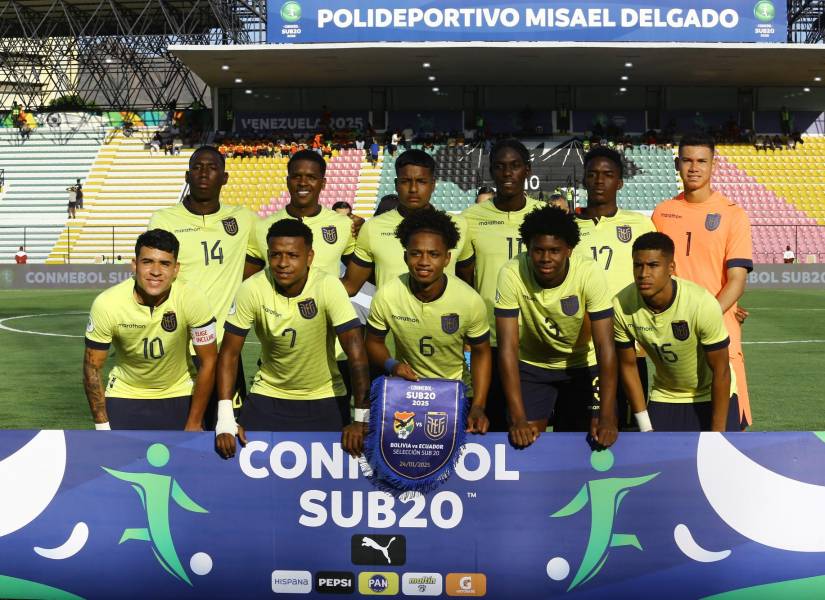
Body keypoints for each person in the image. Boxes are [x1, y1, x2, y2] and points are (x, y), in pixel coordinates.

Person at [214, 219, 370, 459]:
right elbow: (229, 353)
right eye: (275, 255)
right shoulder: (252, 288)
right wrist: (225, 419)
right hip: (269, 393)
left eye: (292, 255)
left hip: (324, 396)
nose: (283, 263)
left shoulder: (328, 286)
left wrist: (361, 419)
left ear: (309, 257)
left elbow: (357, 352)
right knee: (239, 463)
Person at [148, 145, 259, 424]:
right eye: (197, 167)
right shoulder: (164, 220)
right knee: (179, 429)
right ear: (187, 176)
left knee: (228, 432)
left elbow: (268, 252)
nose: (204, 173)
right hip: (177, 347)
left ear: (225, 177)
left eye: (211, 167)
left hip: (225, 350)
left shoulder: (243, 218)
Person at [246, 150, 357, 424]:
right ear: (287, 181)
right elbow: (247, 279)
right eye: (296, 176)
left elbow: (356, 279)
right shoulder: (262, 228)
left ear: (323, 182)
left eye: (311, 177)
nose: (303, 183)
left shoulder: (343, 226)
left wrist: (328, 298)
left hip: (334, 352)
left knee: (332, 439)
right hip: (280, 348)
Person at [495, 205, 618, 449]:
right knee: (525, 439)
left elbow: (605, 346)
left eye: (554, 251)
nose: (546, 258)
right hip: (533, 365)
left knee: (593, 439)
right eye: (538, 250)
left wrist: (606, 415)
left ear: (569, 250)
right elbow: (507, 348)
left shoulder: (588, 272)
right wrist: (518, 418)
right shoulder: (511, 273)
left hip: (584, 365)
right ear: (528, 249)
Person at [652, 133, 753, 429]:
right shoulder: (662, 213)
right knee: (673, 442)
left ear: (714, 166)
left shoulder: (733, 215)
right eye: (687, 161)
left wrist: (705, 315)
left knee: (727, 436)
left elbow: (736, 280)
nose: (694, 168)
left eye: (701, 161)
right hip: (674, 334)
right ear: (676, 164)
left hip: (719, 330)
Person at [366, 209, 491, 434]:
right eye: (416, 254)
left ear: (447, 258)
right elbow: (373, 342)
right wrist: (392, 366)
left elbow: (481, 352)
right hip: (408, 393)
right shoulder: (388, 295)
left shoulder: (469, 300)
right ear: (405, 257)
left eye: (433, 254)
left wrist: (479, 405)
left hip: (455, 395)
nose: (424, 262)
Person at [83, 229, 217, 430]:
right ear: (135, 264)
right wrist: (102, 426)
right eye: (147, 262)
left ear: (176, 269)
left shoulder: (192, 297)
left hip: (179, 392)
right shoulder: (107, 303)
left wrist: (194, 421)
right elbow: (92, 368)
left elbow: (209, 361)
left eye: (165, 263)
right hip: (125, 393)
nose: (156, 271)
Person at [455, 139, 544, 431]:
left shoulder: (544, 216)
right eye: (500, 167)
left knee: (533, 429)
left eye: (515, 166)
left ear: (527, 170)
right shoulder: (470, 218)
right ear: (492, 172)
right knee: (487, 425)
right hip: (489, 341)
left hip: (534, 340)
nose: (508, 173)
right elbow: (464, 277)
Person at [613, 232, 738, 432]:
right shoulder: (621, 304)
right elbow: (628, 366)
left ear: (671, 267)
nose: (643, 273)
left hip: (710, 394)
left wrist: (717, 433)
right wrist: (645, 426)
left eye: (653, 265)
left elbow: (721, 370)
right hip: (665, 395)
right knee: (658, 462)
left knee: (714, 461)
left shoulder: (701, 303)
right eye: (638, 265)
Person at [573, 146, 656, 429]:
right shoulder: (567, 228)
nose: (599, 180)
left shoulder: (640, 224)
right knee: (580, 428)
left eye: (608, 175)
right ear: (583, 179)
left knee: (632, 429)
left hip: (628, 347)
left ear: (619, 182)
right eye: (593, 174)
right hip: (580, 351)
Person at [342, 149, 468, 295]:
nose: (413, 189)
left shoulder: (458, 225)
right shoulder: (372, 228)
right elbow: (350, 286)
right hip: (389, 317)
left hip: (442, 317)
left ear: (433, 185)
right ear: (396, 184)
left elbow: (469, 282)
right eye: (405, 181)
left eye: (421, 181)